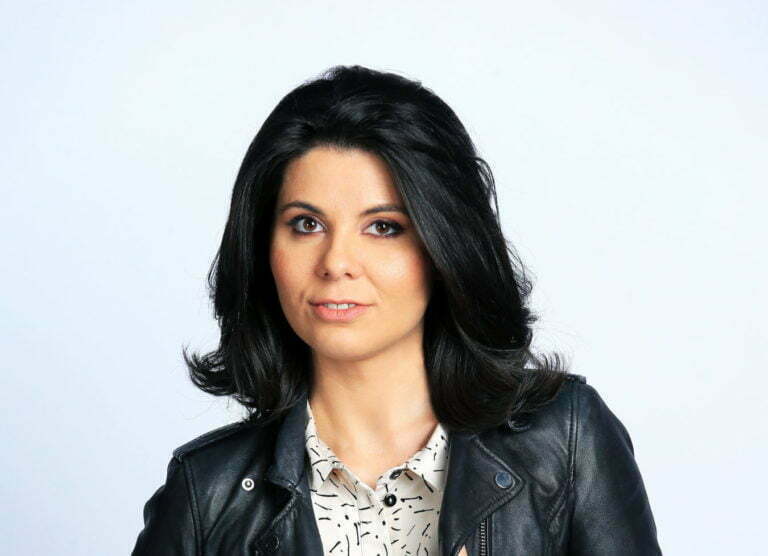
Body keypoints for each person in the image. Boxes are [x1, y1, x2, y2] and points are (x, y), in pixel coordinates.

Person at [131, 64, 661, 555]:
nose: (336, 262)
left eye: (383, 227)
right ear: (263, 247)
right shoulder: (207, 494)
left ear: (444, 245)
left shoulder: (566, 440)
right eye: (306, 224)